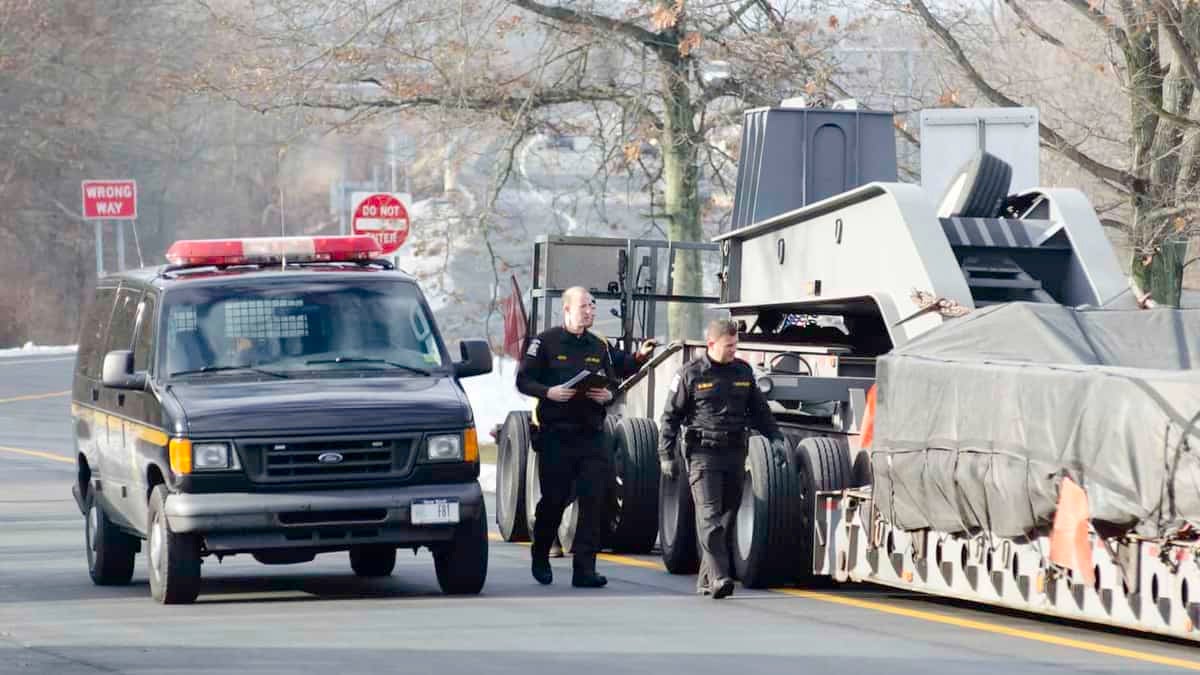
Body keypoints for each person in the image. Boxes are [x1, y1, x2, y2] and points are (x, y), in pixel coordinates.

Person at [516, 286, 654, 587]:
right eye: (584, 307)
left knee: (595, 499)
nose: (590, 312)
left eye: (592, 307)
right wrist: (548, 392)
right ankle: (540, 552)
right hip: (556, 433)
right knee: (554, 500)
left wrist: (611, 391)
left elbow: (618, 373)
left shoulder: (598, 345)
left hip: (591, 433)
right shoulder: (545, 342)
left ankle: (585, 569)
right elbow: (523, 379)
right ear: (566, 310)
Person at [657, 318, 788, 599]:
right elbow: (670, 417)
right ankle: (719, 578)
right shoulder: (690, 374)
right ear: (711, 344)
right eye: (729, 346)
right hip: (702, 455)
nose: (733, 351)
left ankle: (706, 577)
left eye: (735, 345)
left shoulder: (742, 371)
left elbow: (760, 411)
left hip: (734, 453)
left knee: (727, 518)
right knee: (709, 517)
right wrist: (666, 454)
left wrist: (775, 438)